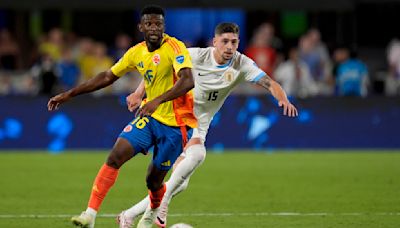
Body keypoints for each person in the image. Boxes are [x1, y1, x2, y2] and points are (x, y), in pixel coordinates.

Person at [117, 22, 298, 228]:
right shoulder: (195, 55)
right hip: (176, 116)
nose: (229, 47)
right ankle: (157, 210)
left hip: (200, 123)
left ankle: (129, 215)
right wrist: (140, 93)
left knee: (181, 182)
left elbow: (270, 83)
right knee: (196, 156)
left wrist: (283, 98)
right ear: (215, 42)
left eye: (234, 42)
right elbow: (161, 69)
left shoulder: (241, 64)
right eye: (225, 41)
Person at [47, 5, 197, 228]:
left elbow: (188, 81)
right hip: (150, 118)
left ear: (164, 26)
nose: (154, 28)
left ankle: (152, 213)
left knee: (153, 180)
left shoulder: (176, 48)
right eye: (149, 23)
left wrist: (156, 100)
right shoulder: (136, 52)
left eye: (158, 23)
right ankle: (90, 214)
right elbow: (108, 76)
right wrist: (70, 93)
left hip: (177, 126)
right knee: (116, 154)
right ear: (141, 27)